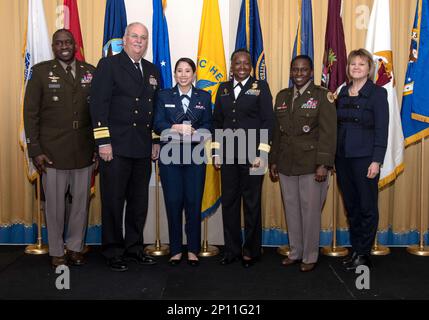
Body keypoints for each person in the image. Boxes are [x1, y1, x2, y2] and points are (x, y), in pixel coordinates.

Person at [90, 22, 160, 272]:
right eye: (134, 36)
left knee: (138, 202)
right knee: (113, 201)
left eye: (143, 38)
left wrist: (154, 140)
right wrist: (103, 141)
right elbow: (98, 105)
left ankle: (134, 248)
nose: (139, 41)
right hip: (116, 146)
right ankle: (112, 250)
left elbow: (154, 110)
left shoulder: (152, 70)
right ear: (124, 38)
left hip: (142, 147)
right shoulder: (109, 65)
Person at [23, 29, 96, 268]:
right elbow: (30, 113)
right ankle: (56, 250)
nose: (64, 46)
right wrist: (35, 150)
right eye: (59, 43)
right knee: (54, 206)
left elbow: (97, 113)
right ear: (53, 47)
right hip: (52, 151)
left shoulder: (90, 72)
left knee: (80, 204)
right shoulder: (41, 72)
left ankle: (75, 247)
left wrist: (97, 146)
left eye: (68, 42)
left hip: (84, 148)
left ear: (75, 45)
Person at [269, 55, 337, 272]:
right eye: (295, 70)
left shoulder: (322, 96)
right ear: (291, 72)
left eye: (303, 70)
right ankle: (296, 251)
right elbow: (277, 133)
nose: (299, 73)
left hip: (311, 164)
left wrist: (323, 164)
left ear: (311, 71)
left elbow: (329, 133)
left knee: (310, 211)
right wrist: (273, 160)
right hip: (287, 163)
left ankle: (310, 255)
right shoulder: (282, 96)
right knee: (291, 209)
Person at [213, 49, 274, 268]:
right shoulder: (223, 89)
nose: (241, 67)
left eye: (245, 63)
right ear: (231, 65)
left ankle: (251, 251)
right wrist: (216, 151)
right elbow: (217, 123)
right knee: (229, 203)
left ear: (251, 66)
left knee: (252, 203)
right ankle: (231, 250)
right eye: (237, 63)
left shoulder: (261, 87)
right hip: (228, 156)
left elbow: (268, 122)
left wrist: (262, 153)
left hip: (254, 157)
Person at [154, 58, 212, 267]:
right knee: (173, 203)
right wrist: (175, 128)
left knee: (193, 203)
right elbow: (158, 123)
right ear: (175, 74)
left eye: (188, 71)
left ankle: (193, 250)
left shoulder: (204, 97)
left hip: (195, 157)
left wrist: (198, 132)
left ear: (194, 74)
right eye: (179, 71)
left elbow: (209, 125)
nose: (184, 75)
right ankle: (177, 250)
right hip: (170, 157)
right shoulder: (163, 96)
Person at [335, 48, 389, 271]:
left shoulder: (377, 94)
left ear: (369, 69)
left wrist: (376, 160)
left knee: (367, 207)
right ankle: (356, 250)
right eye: (352, 64)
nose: (356, 67)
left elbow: (381, 130)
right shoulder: (342, 93)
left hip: (365, 159)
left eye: (361, 64)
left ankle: (364, 255)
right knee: (352, 207)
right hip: (343, 159)